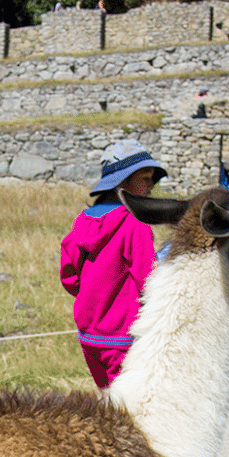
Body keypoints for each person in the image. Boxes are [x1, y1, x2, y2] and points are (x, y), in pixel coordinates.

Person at [60, 139, 168, 390]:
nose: (152, 184)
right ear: (123, 182)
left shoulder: (83, 221)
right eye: (145, 178)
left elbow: (69, 277)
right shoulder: (135, 225)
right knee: (129, 410)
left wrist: (93, 294)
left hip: (89, 335)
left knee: (109, 401)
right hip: (122, 338)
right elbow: (148, 280)